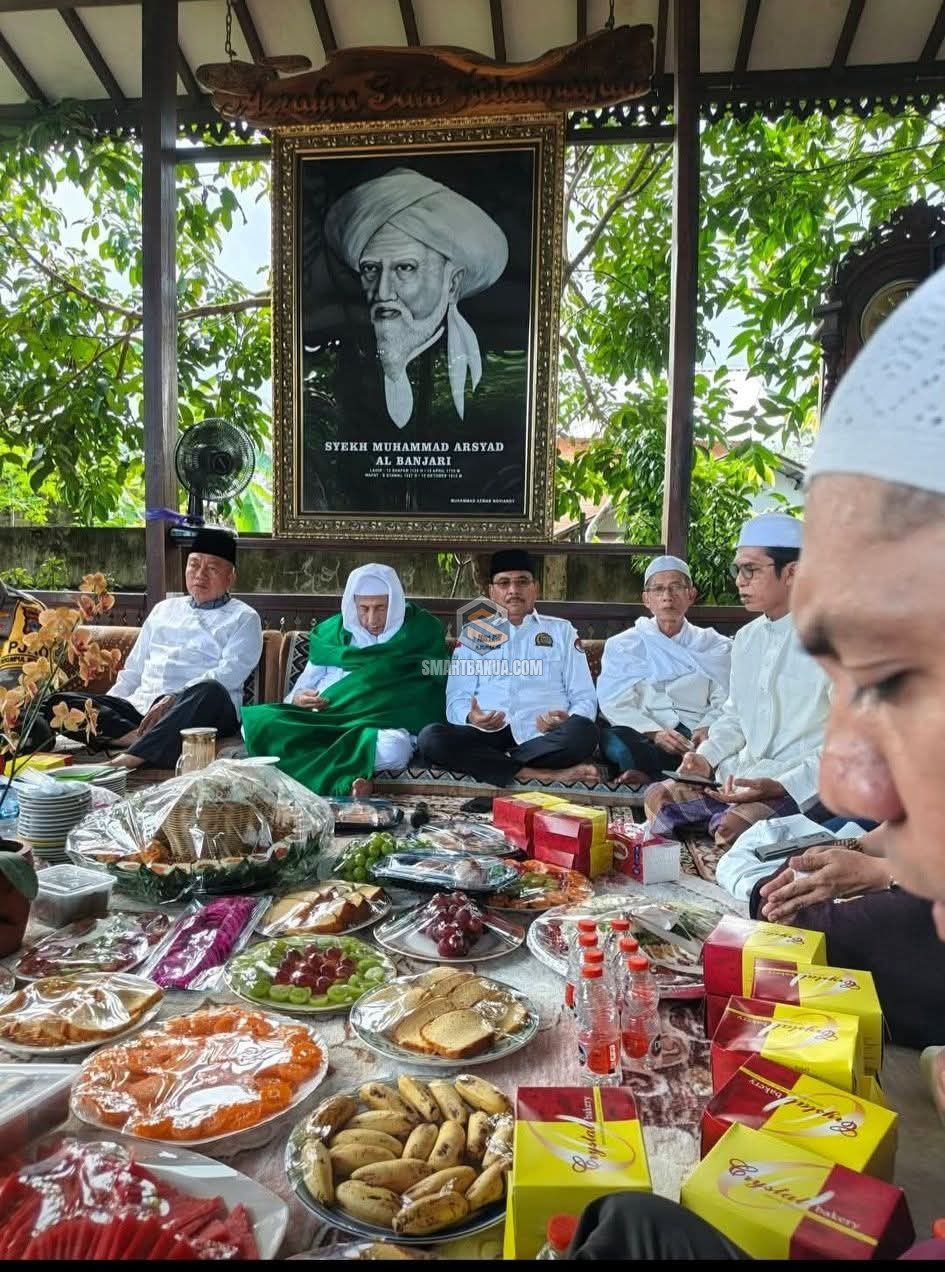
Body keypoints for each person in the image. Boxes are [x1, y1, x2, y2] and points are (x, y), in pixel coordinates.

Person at [567, 267, 945, 1262]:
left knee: (783, 881)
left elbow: (847, 764)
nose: (733, 586)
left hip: (821, 811)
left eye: (744, 572)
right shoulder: (760, 641)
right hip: (811, 807)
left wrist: (825, 824)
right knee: (678, 812)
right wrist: (698, 762)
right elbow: (740, 724)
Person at [302, 167, 526, 516]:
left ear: (452, 283)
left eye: (405, 268)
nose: (383, 292)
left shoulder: (492, 384)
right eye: (371, 270)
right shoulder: (339, 372)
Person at [642, 513, 830, 850]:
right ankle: (727, 822)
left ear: (792, 573)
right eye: (737, 570)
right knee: (657, 797)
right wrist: (706, 758)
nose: (739, 581)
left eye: (751, 570)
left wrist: (781, 784)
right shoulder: (747, 638)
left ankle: (733, 827)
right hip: (743, 774)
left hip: (804, 781)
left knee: (734, 829)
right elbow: (735, 716)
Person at [44, 529, 262, 771]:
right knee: (56, 703)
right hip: (143, 710)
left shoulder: (244, 617)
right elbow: (133, 671)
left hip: (200, 711)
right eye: (194, 565)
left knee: (210, 690)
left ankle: (128, 759)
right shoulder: (163, 610)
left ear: (230, 577)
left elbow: (229, 674)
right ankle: (142, 740)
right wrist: (110, 706)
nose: (200, 575)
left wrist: (174, 698)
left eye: (212, 568)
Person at [241, 564, 447, 796]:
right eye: (364, 608)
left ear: (396, 604)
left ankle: (324, 777)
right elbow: (294, 696)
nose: (372, 619)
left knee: (394, 750)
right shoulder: (333, 636)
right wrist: (299, 700)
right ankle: (349, 777)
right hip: (326, 722)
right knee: (254, 726)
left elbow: (434, 687)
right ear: (353, 605)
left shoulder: (420, 632)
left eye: (381, 608)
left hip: (377, 728)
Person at [417, 550, 599, 787]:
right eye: (504, 583)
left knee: (585, 731)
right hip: (488, 735)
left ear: (536, 588)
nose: (513, 590)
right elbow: (456, 698)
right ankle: (538, 774)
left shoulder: (562, 632)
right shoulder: (474, 633)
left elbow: (584, 697)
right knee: (430, 738)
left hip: (544, 736)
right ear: (492, 592)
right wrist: (472, 717)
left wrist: (564, 722)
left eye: (522, 581)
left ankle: (495, 766)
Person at [596, 554, 731, 784]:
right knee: (619, 742)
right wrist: (655, 733)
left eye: (676, 587)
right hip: (643, 733)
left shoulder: (714, 644)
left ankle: (654, 777)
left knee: (724, 743)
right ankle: (675, 777)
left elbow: (726, 700)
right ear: (646, 599)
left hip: (696, 732)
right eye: (658, 589)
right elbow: (614, 703)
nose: (667, 597)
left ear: (691, 595)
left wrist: (707, 726)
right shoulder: (623, 644)